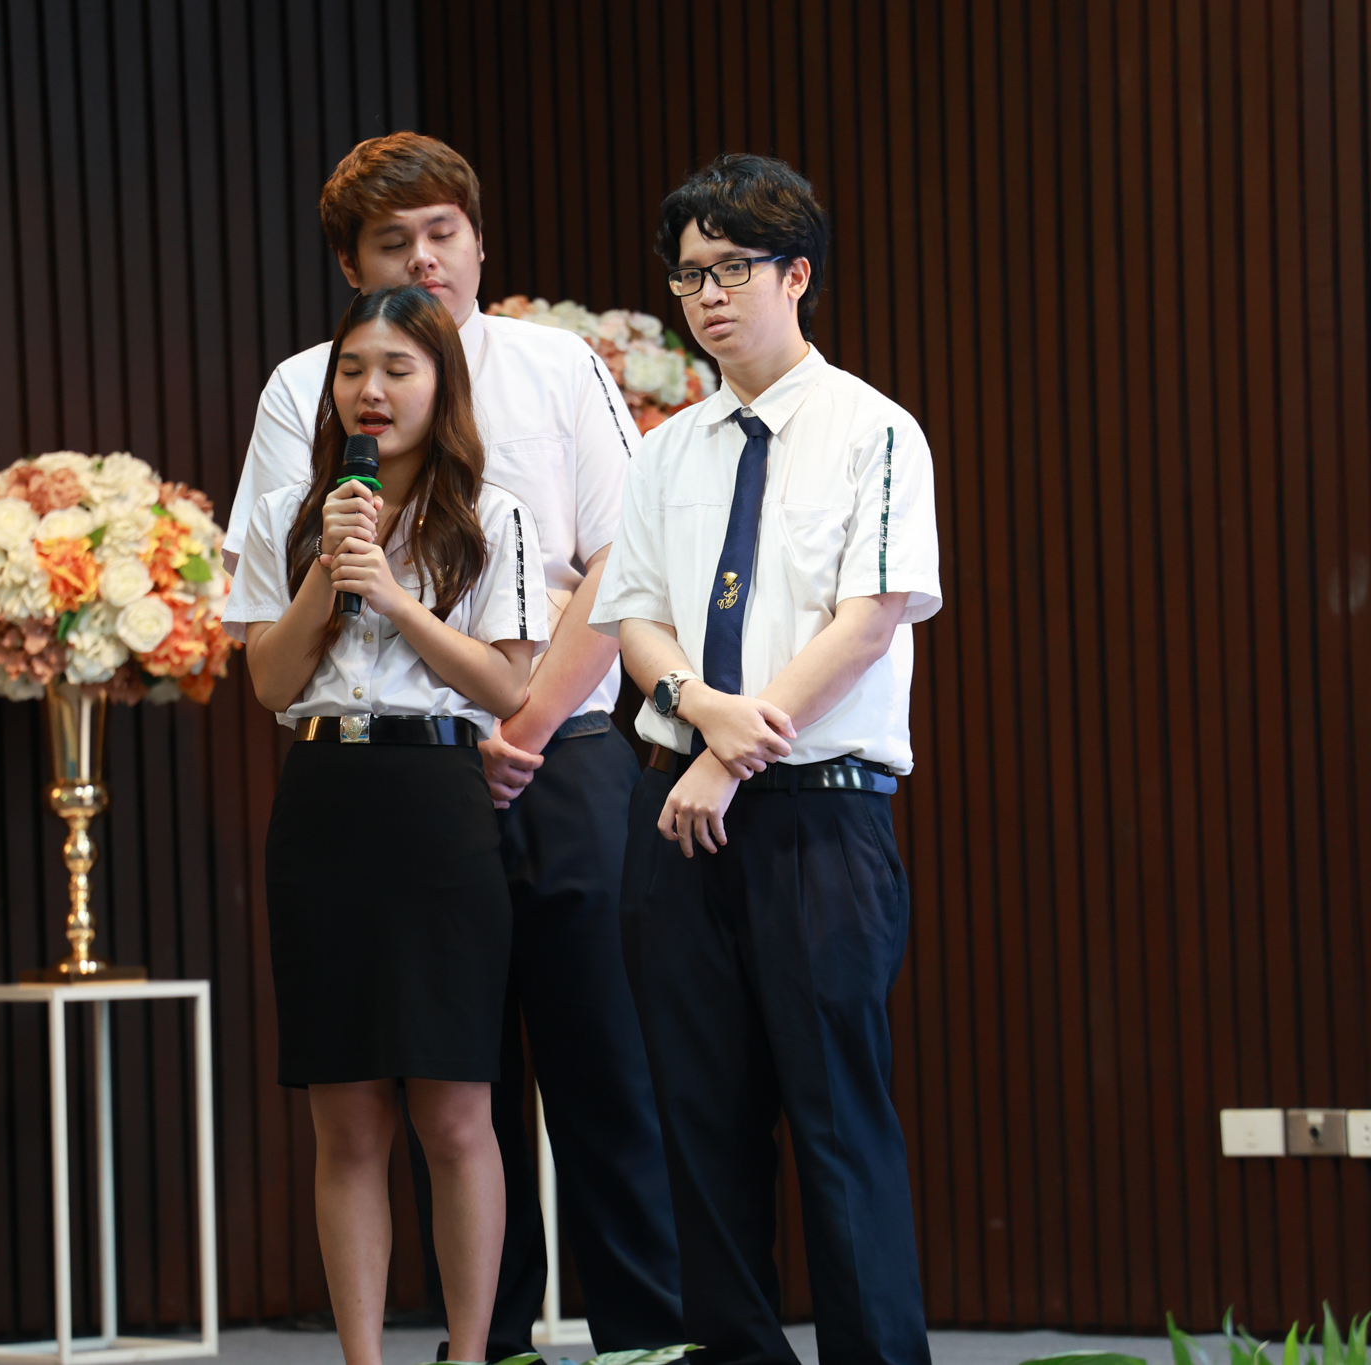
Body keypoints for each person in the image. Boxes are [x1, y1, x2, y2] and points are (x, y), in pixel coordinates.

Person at [226, 133, 682, 1357]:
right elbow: (280, 593)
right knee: (450, 1078)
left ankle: (644, 1339)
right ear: (349, 265)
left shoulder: (555, 364)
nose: (423, 259)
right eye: (392, 243)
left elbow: (617, 560)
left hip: (557, 745)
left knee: (599, 1063)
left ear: (478, 241)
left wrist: (519, 729)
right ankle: (487, 1345)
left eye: (443, 233)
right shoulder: (304, 386)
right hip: (397, 774)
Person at [590, 153, 943, 1365]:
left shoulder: (871, 430)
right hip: (673, 821)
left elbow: (869, 617)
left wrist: (729, 753)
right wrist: (693, 708)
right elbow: (633, 621)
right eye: (688, 275)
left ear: (796, 275)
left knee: (837, 1126)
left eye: (731, 269)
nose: (706, 296)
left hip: (817, 822)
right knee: (697, 1126)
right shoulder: (664, 451)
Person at [221, 285, 548, 1365]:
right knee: (347, 1117)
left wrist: (397, 596)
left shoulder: (491, 513)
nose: (371, 389)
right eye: (353, 368)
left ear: (440, 384)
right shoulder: (289, 512)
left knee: (454, 1112)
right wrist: (328, 570)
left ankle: (469, 1353)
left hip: (438, 803)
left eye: (398, 368)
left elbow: (506, 688)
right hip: (325, 804)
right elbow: (270, 682)